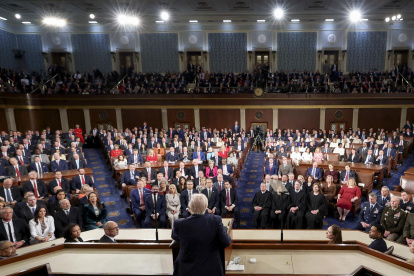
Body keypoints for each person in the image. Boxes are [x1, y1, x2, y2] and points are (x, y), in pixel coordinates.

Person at [171, 194, 231, 276]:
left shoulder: (179, 223)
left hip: (186, 269)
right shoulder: (215, 220)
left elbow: (175, 237)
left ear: (190, 207)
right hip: (210, 268)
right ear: (206, 206)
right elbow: (226, 242)